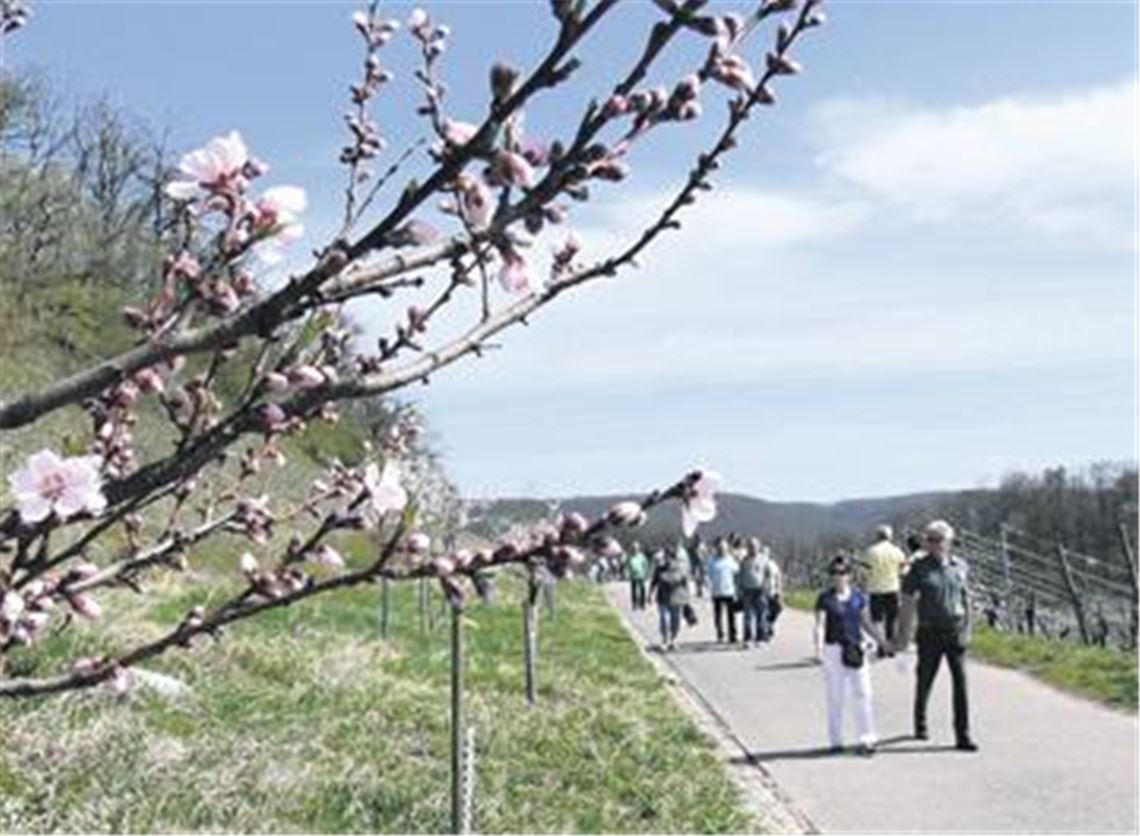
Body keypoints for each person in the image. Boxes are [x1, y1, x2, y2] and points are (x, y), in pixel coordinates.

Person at [897, 520, 978, 752]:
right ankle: (920, 722)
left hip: (955, 630)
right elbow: (908, 602)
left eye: (938, 540)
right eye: (930, 540)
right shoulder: (919, 568)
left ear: (949, 542)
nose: (934, 544)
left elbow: (967, 598)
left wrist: (968, 628)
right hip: (929, 630)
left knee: (961, 683)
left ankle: (963, 735)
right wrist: (903, 633)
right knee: (925, 679)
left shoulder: (960, 566)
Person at [813, 555, 886, 756]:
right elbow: (819, 624)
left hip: (855, 648)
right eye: (834, 573)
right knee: (835, 697)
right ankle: (836, 741)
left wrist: (881, 641)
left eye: (842, 573)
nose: (838, 577)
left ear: (849, 575)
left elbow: (866, 622)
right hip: (833, 650)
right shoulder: (825, 598)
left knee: (863, 693)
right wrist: (818, 648)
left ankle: (867, 738)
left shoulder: (858, 597)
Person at [857, 524, 909, 656]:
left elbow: (863, 573)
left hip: (875, 589)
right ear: (890, 536)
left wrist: (862, 588)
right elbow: (904, 571)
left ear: (877, 536)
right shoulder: (897, 552)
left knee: (877, 620)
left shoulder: (870, 552)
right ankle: (891, 648)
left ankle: (881, 646)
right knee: (891, 620)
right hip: (893, 589)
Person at [649, 546, 689, 651]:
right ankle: (665, 640)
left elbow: (685, 583)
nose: (667, 559)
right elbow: (654, 581)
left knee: (676, 621)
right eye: (665, 557)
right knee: (664, 620)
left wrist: (687, 598)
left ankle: (673, 640)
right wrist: (650, 594)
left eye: (669, 557)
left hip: (677, 598)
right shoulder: (660, 569)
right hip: (663, 598)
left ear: (673, 557)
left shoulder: (681, 569)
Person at [706, 536, 740, 644]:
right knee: (718, 615)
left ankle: (732, 635)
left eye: (724, 547)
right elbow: (708, 575)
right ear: (716, 548)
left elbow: (737, 573)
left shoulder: (730, 560)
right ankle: (720, 634)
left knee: (731, 615)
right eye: (720, 547)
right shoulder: (711, 560)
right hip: (716, 591)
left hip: (729, 591)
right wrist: (709, 585)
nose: (722, 549)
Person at [737, 538, 770, 647]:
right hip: (747, 590)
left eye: (754, 546)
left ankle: (761, 638)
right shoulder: (744, 561)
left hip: (760, 590)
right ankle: (748, 638)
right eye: (750, 546)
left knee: (761, 615)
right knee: (748, 616)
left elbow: (767, 574)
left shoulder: (764, 560)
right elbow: (740, 576)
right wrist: (740, 590)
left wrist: (767, 587)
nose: (752, 548)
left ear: (758, 547)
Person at [626, 541, 649, 610]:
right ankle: (634, 604)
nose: (635, 549)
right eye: (633, 548)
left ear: (639, 549)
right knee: (633, 591)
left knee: (642, 590)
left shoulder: (642, 556)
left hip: (641, 575)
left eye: (636, 548)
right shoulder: (630, 557)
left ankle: (642, 604)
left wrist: (646, 573)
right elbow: (627, 566)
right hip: (633, 576)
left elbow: (646, 565)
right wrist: (627, 573)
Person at [764, 550, 784, 633]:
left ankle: (770, 623)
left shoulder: (773, 565)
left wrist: (779, 590)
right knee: (763, 611)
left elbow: (778, 577)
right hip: (762, 592)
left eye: (766, 553)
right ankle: (765, 629)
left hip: (773, 592)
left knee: (778, 608)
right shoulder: (760, 564)